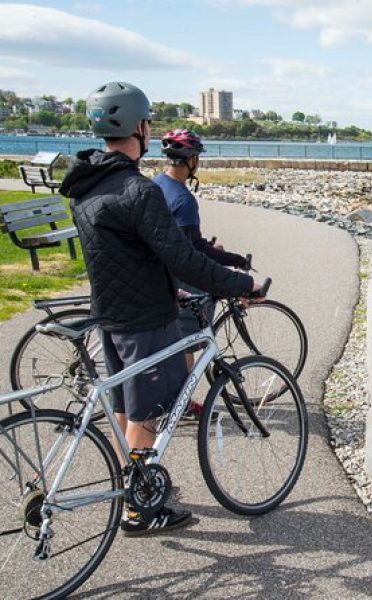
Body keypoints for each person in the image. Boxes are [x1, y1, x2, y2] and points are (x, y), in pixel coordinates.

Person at [60, 81, 262, 536]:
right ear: (141, 128)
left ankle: (132, 491)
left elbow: (132, 254)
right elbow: (183, 257)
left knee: (129, 413)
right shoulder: (138, 191)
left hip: (109, 317)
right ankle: (139, 510)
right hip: (145, 321)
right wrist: (241, 283)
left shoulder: (87, 188)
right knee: (148, 415)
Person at [153, 129, 249, 422]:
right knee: (190, 337)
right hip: (176, 275)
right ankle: (179, 401)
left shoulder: (157, 184)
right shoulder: (183, 199)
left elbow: (184, 240)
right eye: (197, 158)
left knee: (173, 337)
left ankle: (172, 395)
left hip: (156, 269)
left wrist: (206, 245)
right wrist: (235, 260)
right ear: (191, 161)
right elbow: (192, 251)